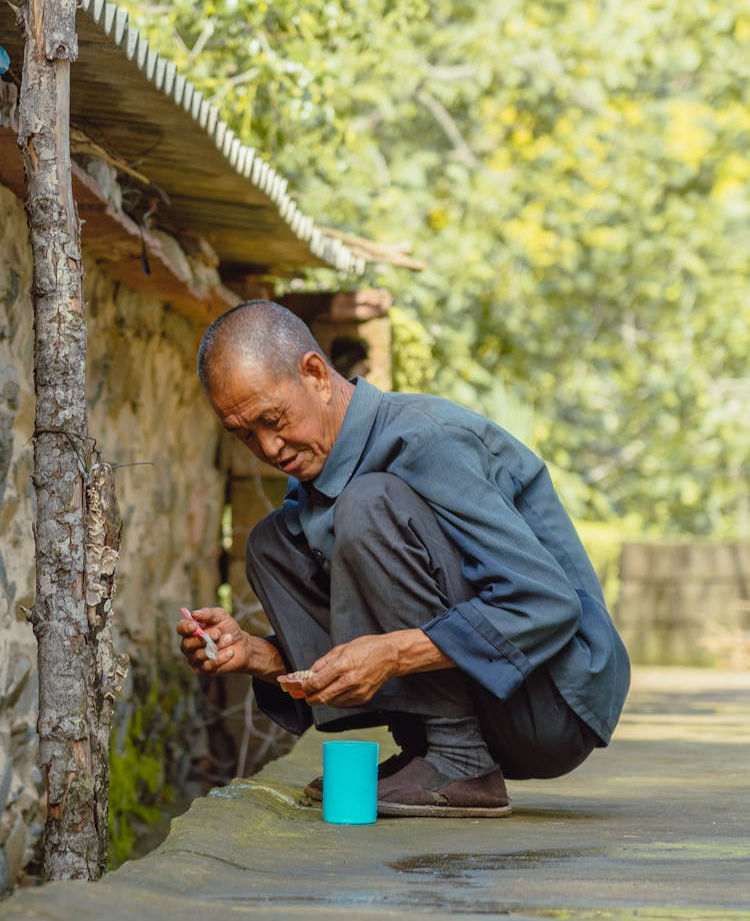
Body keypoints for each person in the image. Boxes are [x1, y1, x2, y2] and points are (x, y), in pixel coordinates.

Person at [177, 301, 630, 818]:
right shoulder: (312, 482)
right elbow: (372, 631)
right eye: (244, 434)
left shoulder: (426, 439)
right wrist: (256, 656)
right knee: (271, 542)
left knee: (368, 504)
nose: (268, 446)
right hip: (496, 705)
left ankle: (460, 760)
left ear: (316, 375)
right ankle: (431, 754)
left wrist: (393, 654)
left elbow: (545, 603)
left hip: (553, 701)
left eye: (272, 420)